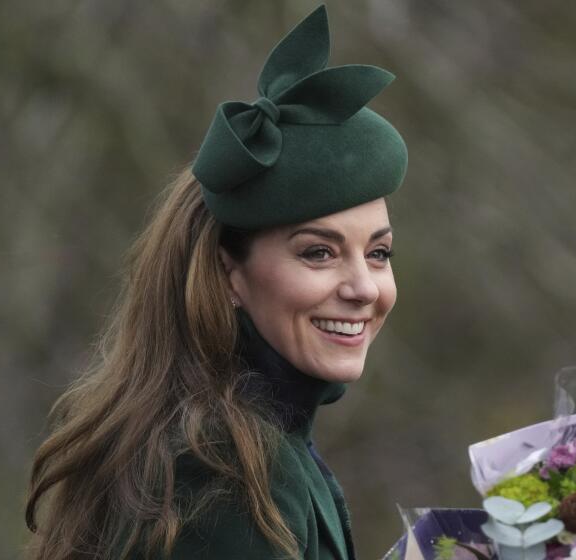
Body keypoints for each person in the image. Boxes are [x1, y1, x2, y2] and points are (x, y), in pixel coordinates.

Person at [24, 5, 407, 559]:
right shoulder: (227, 474)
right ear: (228, 273)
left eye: (378, 253)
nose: (364, 288)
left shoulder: (237, 443)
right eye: (319, 253)